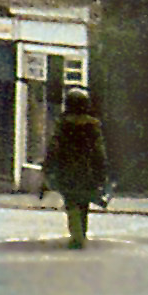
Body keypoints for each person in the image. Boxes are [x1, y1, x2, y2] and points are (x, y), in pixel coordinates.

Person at [43, 87, 109, 249]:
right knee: (84, 203)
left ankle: (76, 235)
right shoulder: (93, 124)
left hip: (66, 169)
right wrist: (102, 171)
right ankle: (82, 233)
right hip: (87, 170)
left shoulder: (63, 124)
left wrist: (49, 166)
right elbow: (99, 150)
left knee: (71, 202)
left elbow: (54, 147)